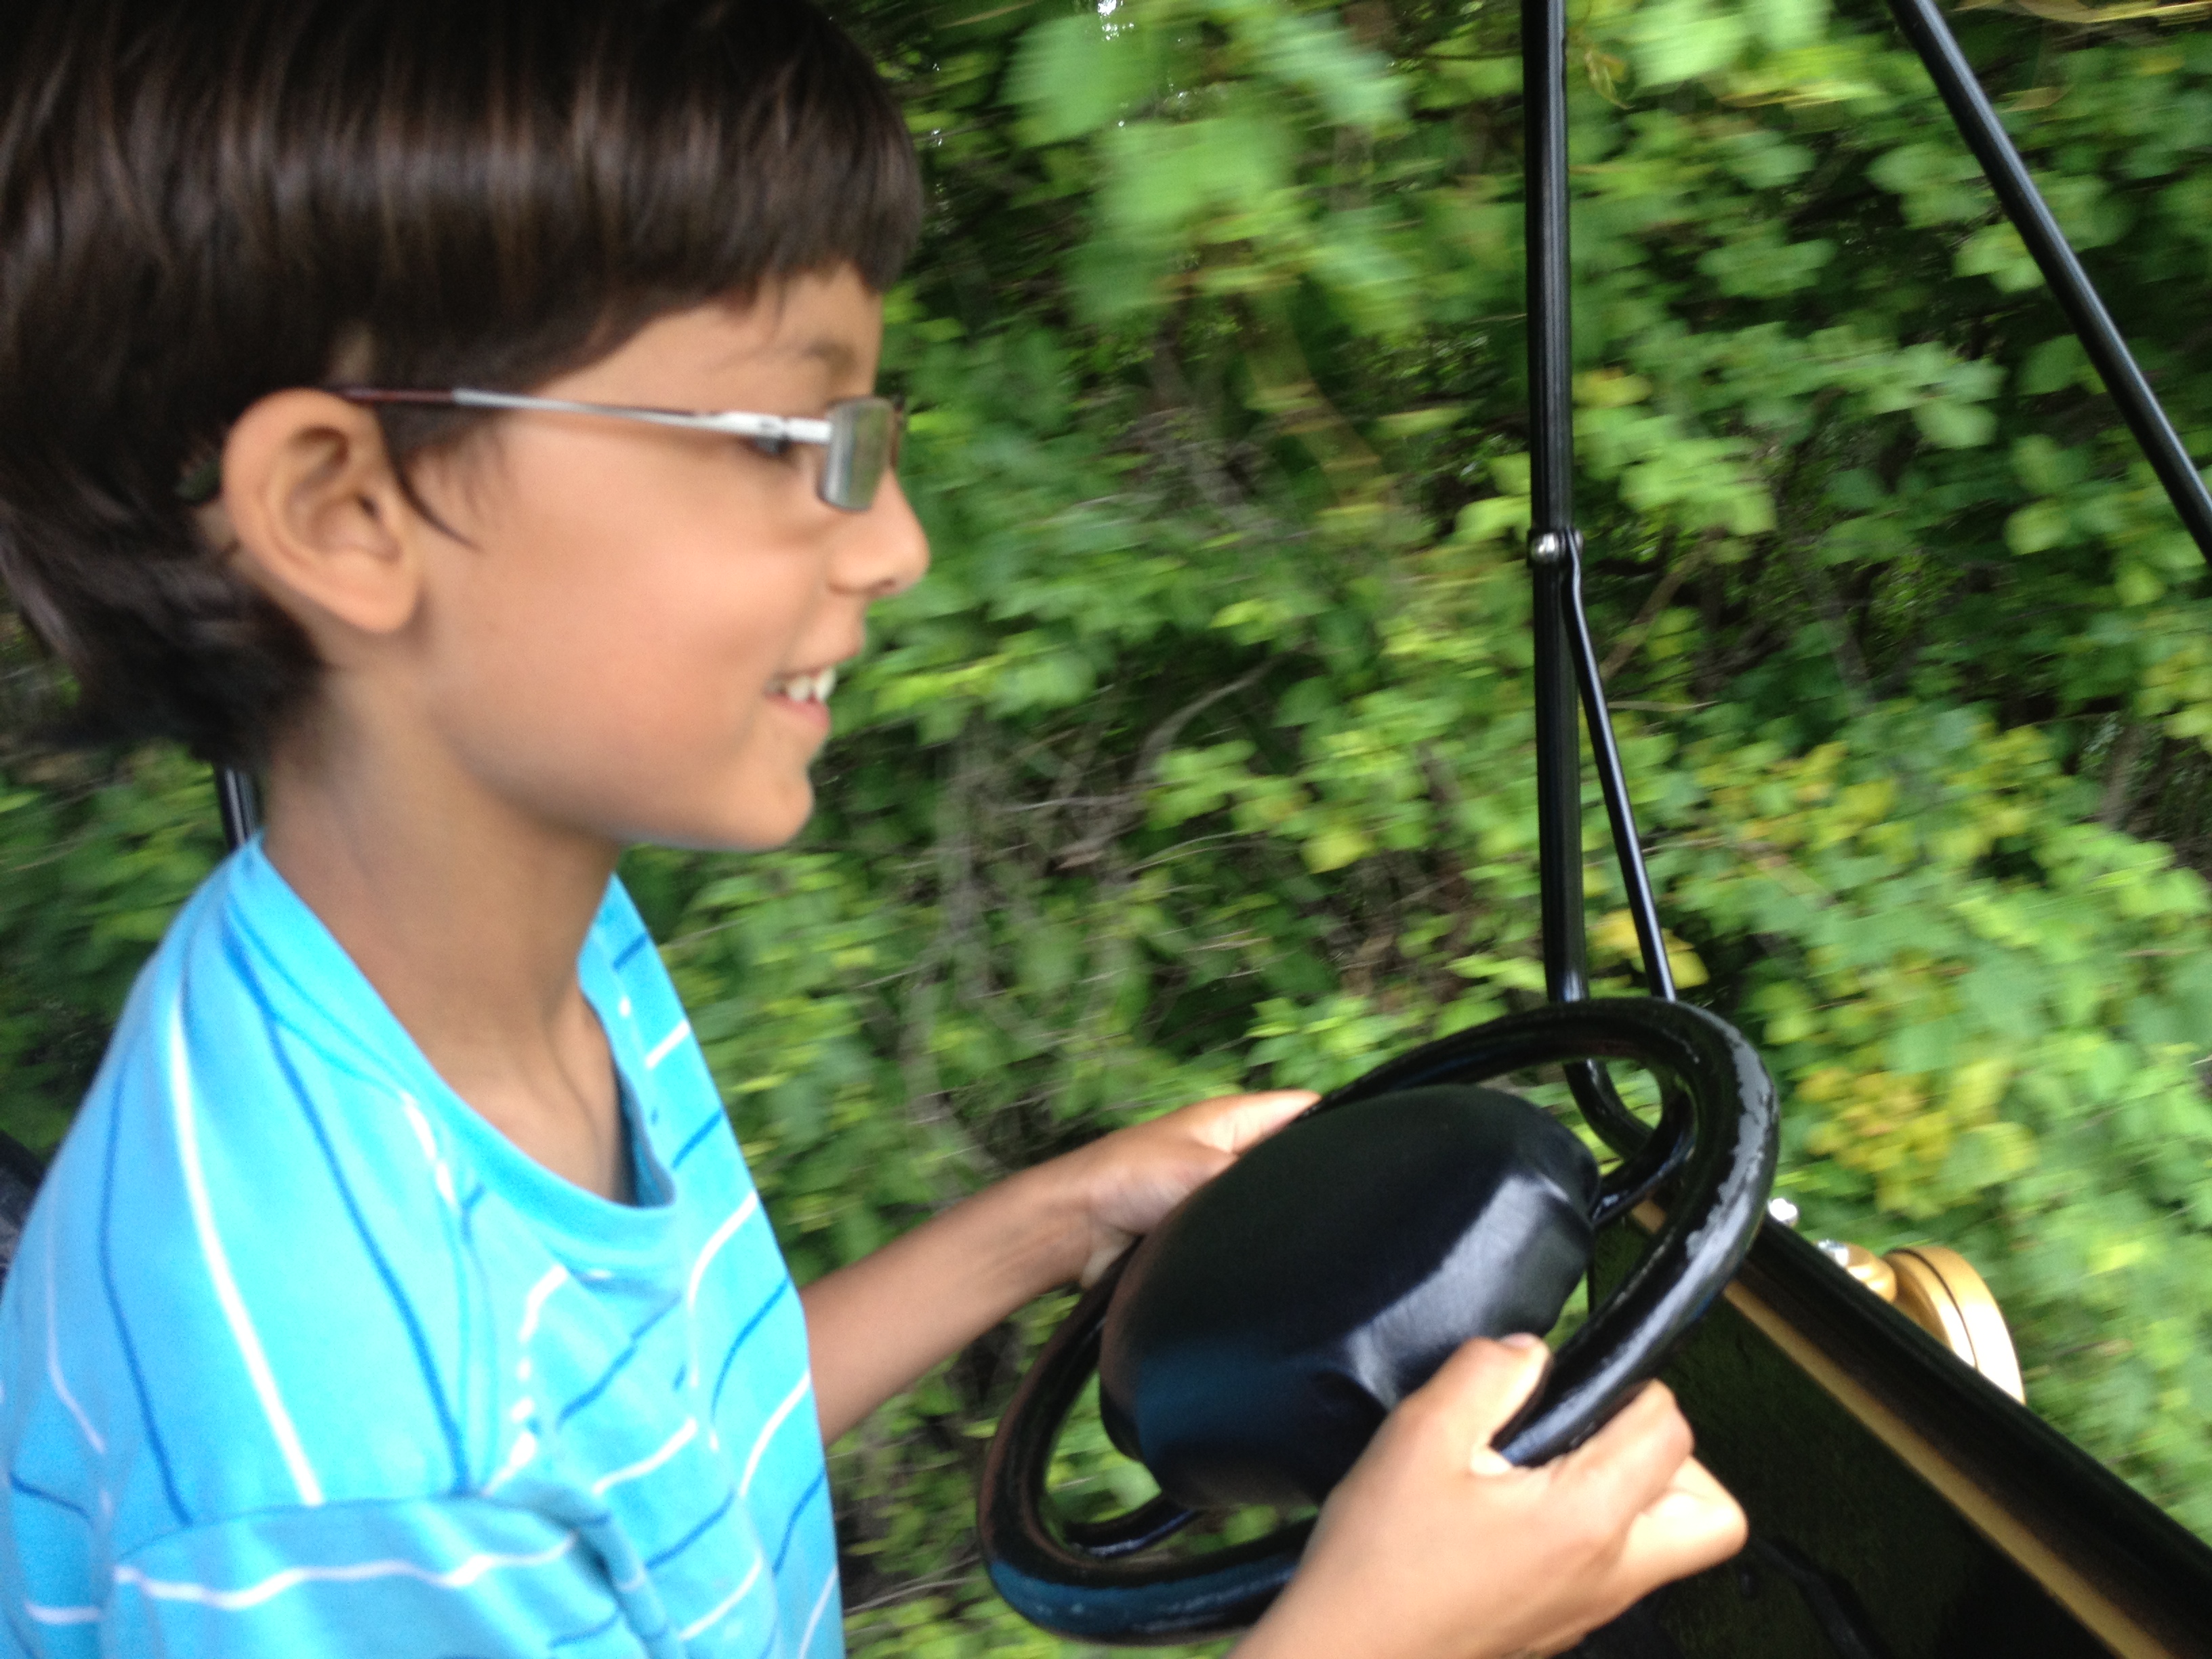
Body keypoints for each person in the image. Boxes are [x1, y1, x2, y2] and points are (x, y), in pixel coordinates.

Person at [0, 1, 1746, 1653]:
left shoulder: (512, 956)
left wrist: (1052, 1222)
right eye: (783, 441)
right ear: (345, 511)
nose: (894, 541)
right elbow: (471, 1466)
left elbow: (665, 1464)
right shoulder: (327, 1458)